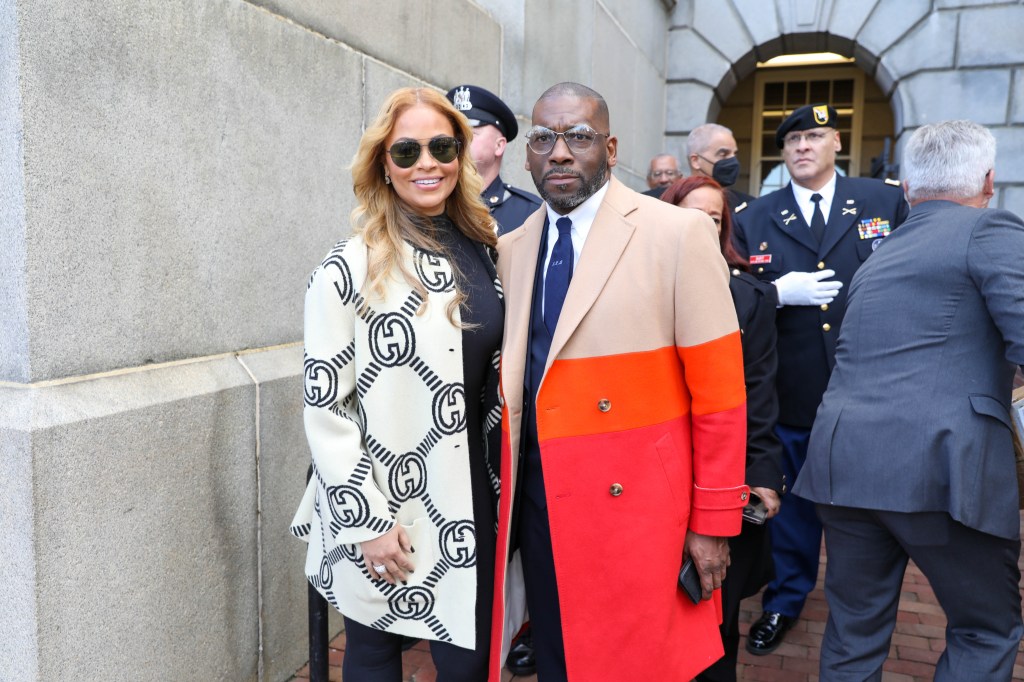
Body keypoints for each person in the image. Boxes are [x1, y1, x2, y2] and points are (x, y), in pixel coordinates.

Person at [488, 82, 749, 681]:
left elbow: (721, 396)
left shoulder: (675, 234)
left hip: (641, 516)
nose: (559, 153)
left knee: (643, 663)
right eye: (544, 139)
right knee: (560, 655)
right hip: (543, 507)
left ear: (608, 148)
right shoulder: (512, 248)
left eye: (577, 136)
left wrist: (711, 522)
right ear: (526, 154)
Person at [794, 119, 1024, 680]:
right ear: (988, 180)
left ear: (905, 187)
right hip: (941, 465)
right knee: (985, 629)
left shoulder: (879, 254)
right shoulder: (989, 230)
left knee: (853, 634)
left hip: (843, 463)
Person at [290, 87, 503, 682]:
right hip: (383, 498)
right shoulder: (349, 266)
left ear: (461, 154)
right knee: (375, 653)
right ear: (382, 163)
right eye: (406, 150)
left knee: (468, 659)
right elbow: (325, 405)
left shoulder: (486, 249)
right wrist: (366, 520)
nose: (426, 163)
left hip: (472, 492)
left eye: (441, 146)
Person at [732, 103, 909, 655]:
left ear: (836, 143)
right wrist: (779, 292)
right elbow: (736, 300)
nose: (802, 147)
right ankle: (785, 599)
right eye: (792, 141)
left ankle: (861, 609)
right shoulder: (755, 216)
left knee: (864, 512)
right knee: (792, 513)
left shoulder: (884, 201)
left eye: (814, 136)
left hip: (867, 390)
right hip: (793, 392)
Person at [661, 176, 784, 682]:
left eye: (713, 219)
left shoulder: (748, 297)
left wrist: (763, 475)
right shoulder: (637, 288)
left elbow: (759, 397)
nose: (702, 226)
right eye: (691, 215)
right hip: (656, 478)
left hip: (723, 479)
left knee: (715, 621)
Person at [446, 84, 541, 236]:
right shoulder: (434, 203)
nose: (458, 141)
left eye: (470, 133)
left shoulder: (530, 214)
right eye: (454, 134)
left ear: (499, 146)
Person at [685, 123, 755, 212]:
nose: (733, 161)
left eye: (735, 154)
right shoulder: (672, 203)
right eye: (723, 154)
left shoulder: (748, 207)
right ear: (695, 161)